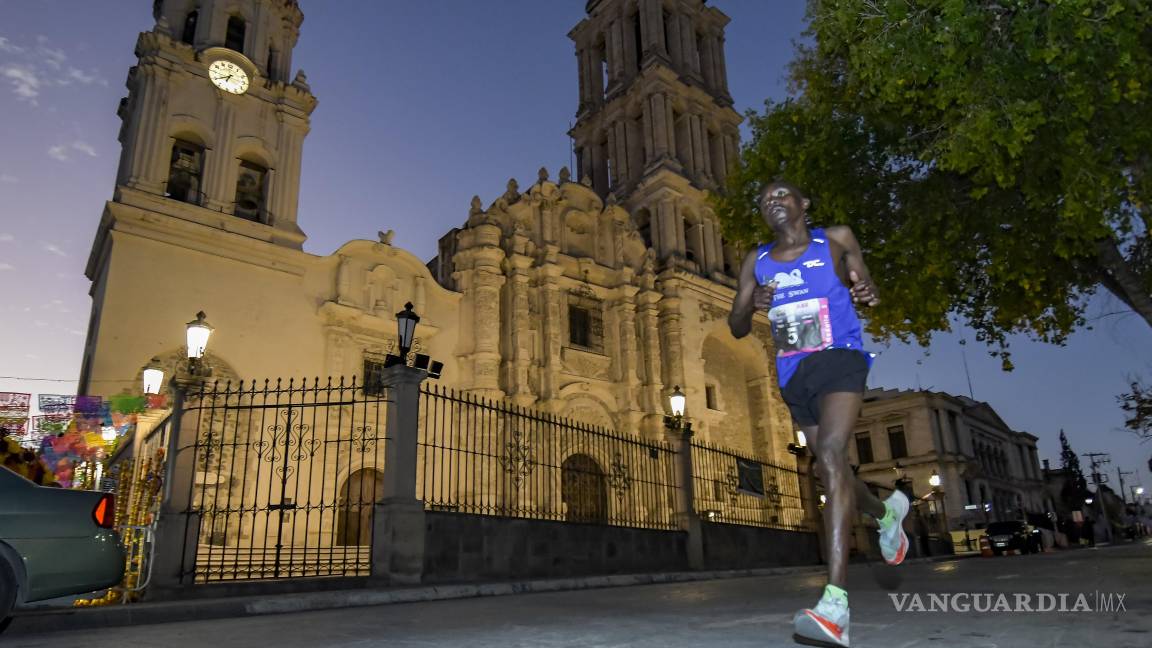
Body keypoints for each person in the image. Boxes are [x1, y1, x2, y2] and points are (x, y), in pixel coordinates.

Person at [728, 180, 910, 647]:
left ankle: (835, 604)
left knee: (830, 452)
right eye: (765, 199)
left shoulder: (837, 239)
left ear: (804, 204)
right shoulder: (757, 260)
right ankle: (886, 514)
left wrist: (866, 288)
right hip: (793, 372)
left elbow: (862, 280)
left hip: (840, 358)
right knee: (834, 471)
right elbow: (736, 325)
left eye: (782, 194)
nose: (774, 201)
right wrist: (753, 302)